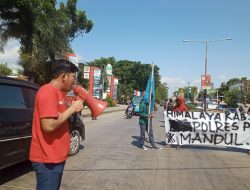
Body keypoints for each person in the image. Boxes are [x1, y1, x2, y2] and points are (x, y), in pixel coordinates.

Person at [29, 59, 84, 190]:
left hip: (54, 158)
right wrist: (72, 109)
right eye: (73, 77)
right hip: (47, 160)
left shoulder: (59, 93)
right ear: (63, 76)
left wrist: (72, 108)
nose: (74, 82)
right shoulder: (48, 91)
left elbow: (59, 118)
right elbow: (48, 126)